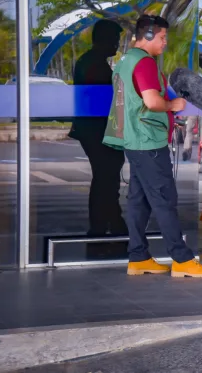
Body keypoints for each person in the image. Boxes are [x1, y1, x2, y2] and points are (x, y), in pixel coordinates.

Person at [103, 14, 202, 278]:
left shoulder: (123, 63)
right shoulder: (144, 63)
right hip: (148, 142)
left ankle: (139, 257)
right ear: (150, 35)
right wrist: (173, 106)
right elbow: (152, 101)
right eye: (163, 37)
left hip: (134, 139)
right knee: (165, 200)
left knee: (139, 201)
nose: (165, 43)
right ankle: (182, 259)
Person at [69, 20, 127, 258]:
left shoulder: (91, 62)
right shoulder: (94, 65)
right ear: (102, 39)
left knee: (106, 178)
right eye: (114, 39)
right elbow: (105, 100)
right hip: (97, 130)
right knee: (106, 179)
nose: (116, 44)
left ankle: (109, 226)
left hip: (96, 130)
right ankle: (107, 226)